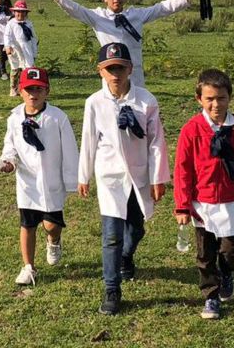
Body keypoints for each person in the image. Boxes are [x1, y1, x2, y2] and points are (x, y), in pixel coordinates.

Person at [78, 42, 170, 315]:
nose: (115, 74)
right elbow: (88, 140)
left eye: (120, 68)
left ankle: (126, 257)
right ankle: (111, 289)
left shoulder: (145, 100)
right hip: (109, 177)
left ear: (130, 69)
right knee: (111, 236)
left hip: (139, 175)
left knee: (136, 228)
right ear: (100, 71)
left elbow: (156, 142)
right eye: (109, 69)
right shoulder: (94, 102)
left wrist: (158, 177)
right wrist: (84, 175)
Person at [174, 68, 234, 319]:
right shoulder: (191, 129)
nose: (216, 104)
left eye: (221, 98)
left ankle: (226, 272)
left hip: (229, 200)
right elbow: (182, 169)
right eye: (210, 99)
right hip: (200, 202)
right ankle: (211, 296)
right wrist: (182, 206)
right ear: (199, 100)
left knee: (231, 249)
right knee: (205, 254)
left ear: (230, 98)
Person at [36, 0, 203, 86]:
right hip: (110, 71)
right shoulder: (98, 17)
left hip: (134, 71)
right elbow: (73, 8)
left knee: (138, 110)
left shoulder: (136, 15)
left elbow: (163, 8)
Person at [0, 67, 79, 285]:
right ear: (20, 91)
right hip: (27, 182)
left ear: (47, 91)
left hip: (51, 180)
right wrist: (9, 162)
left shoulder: (57, 118)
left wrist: (73, 180)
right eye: (29, 89)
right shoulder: (14, 118)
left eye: (39, 89)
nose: (34, 94)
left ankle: (54, 241)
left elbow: (70, 150)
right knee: (27, 225)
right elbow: (10, 146)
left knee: (51, 225)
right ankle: (28, 267)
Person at [3, 0, 38, 97]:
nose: (20, 14)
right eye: (18, 12)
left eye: (23, 12)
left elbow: (33, 38)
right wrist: (8, 46)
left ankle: (25, 89)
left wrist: (34, 52)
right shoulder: (11, 23)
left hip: (27, 50)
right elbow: (7, 36)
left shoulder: (28, 24)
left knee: (27, 69)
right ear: (14, 12)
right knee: (15, 69)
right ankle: (13, 88)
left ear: (26, 13)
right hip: (15, 50)